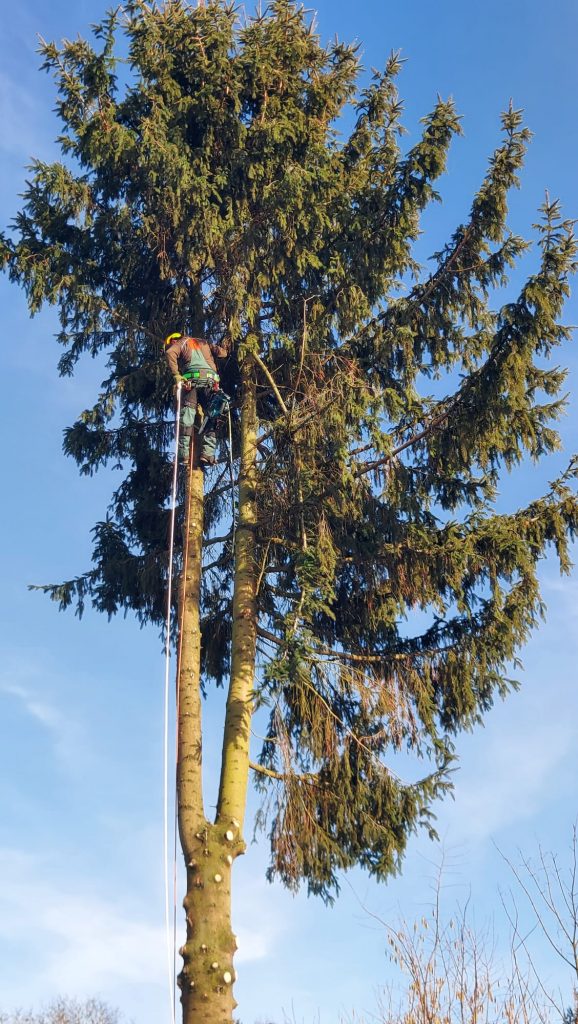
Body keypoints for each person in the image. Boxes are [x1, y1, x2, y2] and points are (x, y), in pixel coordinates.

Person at [164, 332, 227, 467]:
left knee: (187, 416)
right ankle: (208, 454)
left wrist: (176, 375)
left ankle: (183, 455)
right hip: (211, 381)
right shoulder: (203, 342)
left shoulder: (181, 342)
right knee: (212, 415)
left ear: (173, 340)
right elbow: (223, 353)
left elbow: (170, 353)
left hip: (191, 382)